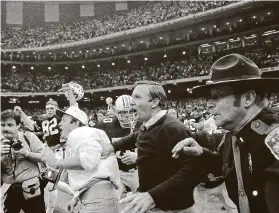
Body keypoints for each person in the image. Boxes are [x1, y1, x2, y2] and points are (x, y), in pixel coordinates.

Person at [172, 54, 279, 213]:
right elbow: (228, 166)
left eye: (217, 96)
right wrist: (201, 153)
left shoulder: (272, 135)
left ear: (247, 98)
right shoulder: (233, 134)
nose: (209, 105)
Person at [101, 81, 204, 213]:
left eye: (137, 97)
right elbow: (135, 137)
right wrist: (111, 146)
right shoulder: (152, 125)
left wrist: (153, 195)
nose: (131, 102)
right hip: (156, 202)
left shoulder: (172, 128)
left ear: (154, 102)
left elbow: (190, 171)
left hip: (172, 207)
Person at [41, 106, 120, 213]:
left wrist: (57, 162)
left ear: (76, 123)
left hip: (97, 198)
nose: (59, 124)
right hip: (97, 196)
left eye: (64, 120)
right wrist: (77, 197)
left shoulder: (80, 132)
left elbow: (89, 161)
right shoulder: (83, 135)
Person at [1, 109, 46, 213]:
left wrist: (26, 153)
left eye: (10, 124)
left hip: (32, 189)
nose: (6, 128)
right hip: (9, 192)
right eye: (2, 125)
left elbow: (45, 157)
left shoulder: (29, 137)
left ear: (18, 125)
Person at [95, 95, 140, 198]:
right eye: (123, 112)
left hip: (138, 171)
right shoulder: (106, 125)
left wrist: (138, 155)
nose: (128, 115)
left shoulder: (144, 124)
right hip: (116, 172)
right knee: (110, 201)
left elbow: (155, 148)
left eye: (132, 111)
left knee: (144, 202)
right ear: (117, 112)